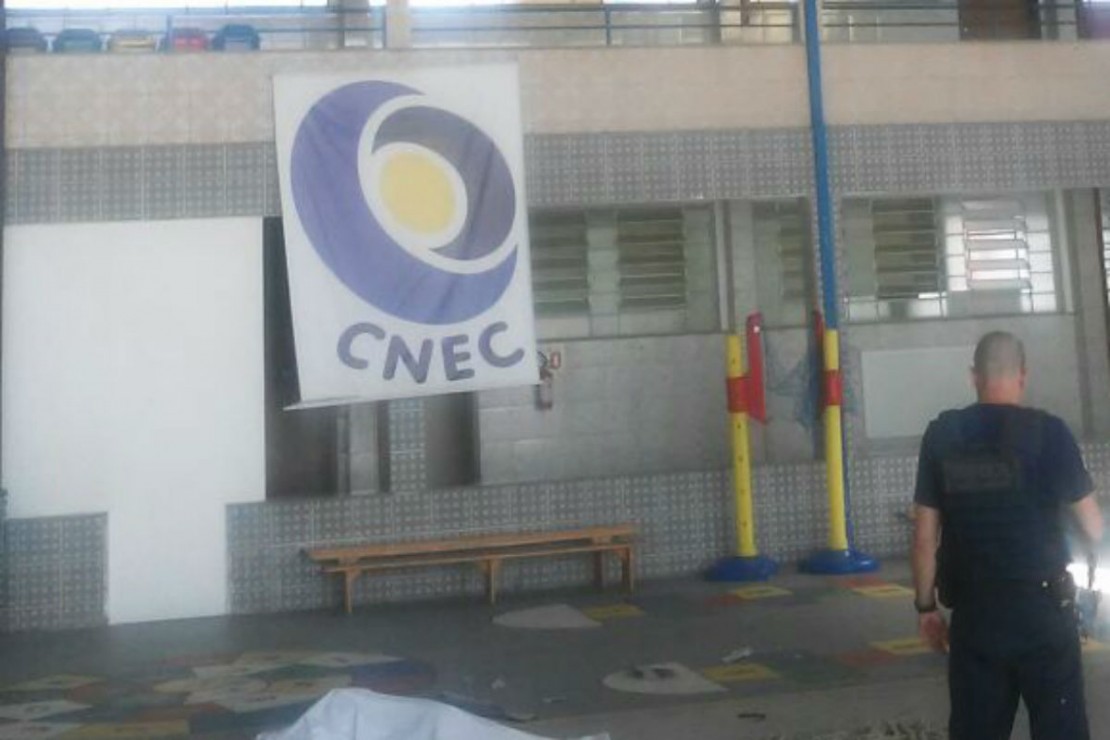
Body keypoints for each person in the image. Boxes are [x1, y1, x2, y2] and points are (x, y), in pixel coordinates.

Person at [911, 331, 1104, 740]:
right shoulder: (1050, 433)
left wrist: (926, 607)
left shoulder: (943, 435)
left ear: (974, 376)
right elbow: (1093, 526)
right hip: (1044, 613)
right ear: (1023, 376)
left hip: (976, 617)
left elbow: (924, 536)